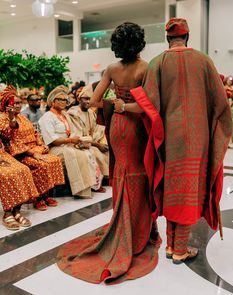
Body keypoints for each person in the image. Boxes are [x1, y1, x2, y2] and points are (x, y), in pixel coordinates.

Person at [116, 18, 233, 264]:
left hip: (168, 139)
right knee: (189, 190)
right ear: (187, 37)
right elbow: (220, 103)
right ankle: (180, 249)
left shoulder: (157, 63)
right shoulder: (204, 61)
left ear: (168, 39)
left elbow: (148, 105)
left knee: (172, 188)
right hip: (197, 139)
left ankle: (170, 246)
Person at [57, 22, 161, 285]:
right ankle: (136, 231)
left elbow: (93, 102)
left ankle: (123, 222)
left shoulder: (112, 69)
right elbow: (148, 106)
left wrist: (116, 103)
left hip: (116, 128)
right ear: (139, 42)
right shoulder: (145, 68)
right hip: (135, 127)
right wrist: (126, 105)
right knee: (138, 174)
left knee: (121, 172)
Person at [0, 85, 65, 211]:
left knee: (54, 159)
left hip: (34, 148)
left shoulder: (22, 117)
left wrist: (41, 144)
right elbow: (11, 140)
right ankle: (37, 198)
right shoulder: (3, 118)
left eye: (19, 103)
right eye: (15, 103)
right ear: (7, 104)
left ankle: (45, 195)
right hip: (21, 153)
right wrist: (32, 153)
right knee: (41, 164)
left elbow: (35, 132)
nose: (18, 105)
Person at [39, 85, 102, 198]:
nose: (64, 102)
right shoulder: (47, 117)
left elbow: (73, 131)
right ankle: (79, 189)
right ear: (53, 101)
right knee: (78, 155)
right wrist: (71, 140)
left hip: (68, 145)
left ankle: (90, 186)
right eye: (60, 99)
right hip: (55, 148)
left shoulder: (64, 115)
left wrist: (78, 141)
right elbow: (52, 140)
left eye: (65, 100)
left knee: (88, 152)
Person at [67, 84, 109, 185]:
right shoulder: (73, 113)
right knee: (96, 152)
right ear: (79, 99)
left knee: (106, 149)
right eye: (85, 99)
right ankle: (94, 184)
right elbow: (78, 136)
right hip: (78, 144)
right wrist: (97, 144)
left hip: (90, 142)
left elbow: (96, 130)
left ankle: (104, 180)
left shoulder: (91, 112)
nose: (88, 101)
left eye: (90, 99)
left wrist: (100, 142)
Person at [0, 138, 39, 230]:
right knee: (7, 174)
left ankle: (17, 210)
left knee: (24, 170)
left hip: (3, 154)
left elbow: (7, 133)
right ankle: (8, 212)